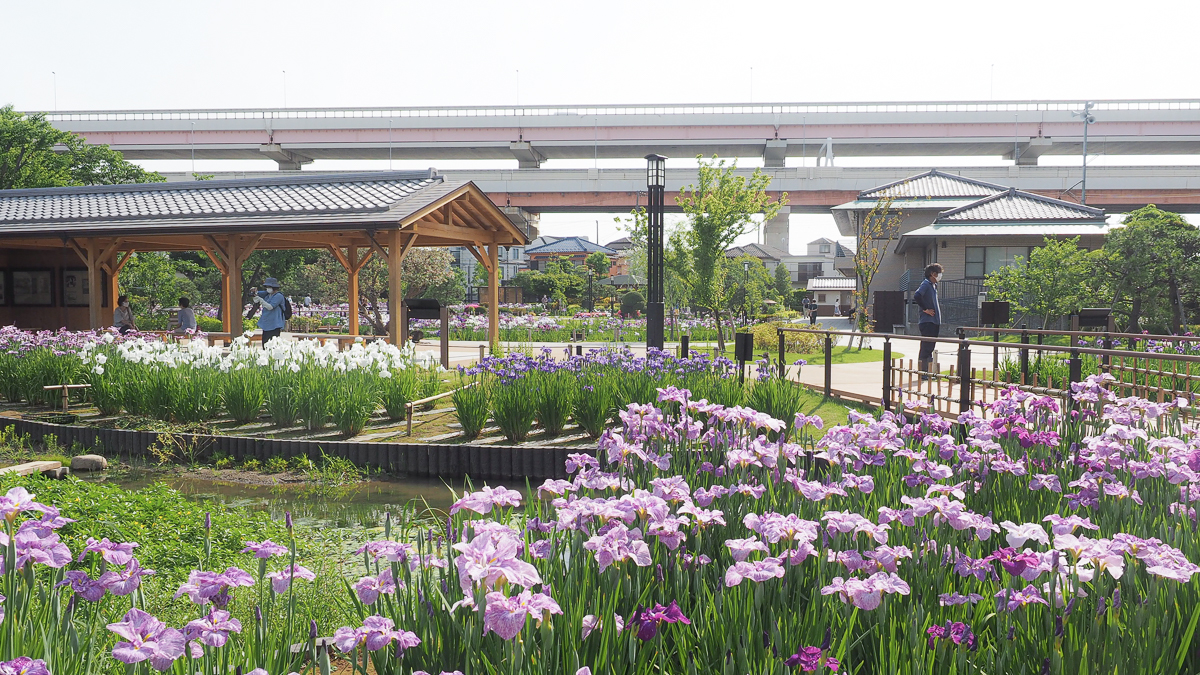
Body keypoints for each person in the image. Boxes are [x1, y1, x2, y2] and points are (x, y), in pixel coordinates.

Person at [913, 263, 943, 381]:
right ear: (932, 274)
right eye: (938, 273)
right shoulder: (926, 284)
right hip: (927, 322)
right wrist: (925, 309)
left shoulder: (933, 286)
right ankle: (923, 372)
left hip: (934, 321)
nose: (940, 275)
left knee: (930, 347)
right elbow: (917, 296)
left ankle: (928, 372)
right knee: (926, 347)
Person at [252, 278, 286, 345]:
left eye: (269, 287)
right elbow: (257, 293)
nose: (267, 288)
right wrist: (254, 292)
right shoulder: (267, 295)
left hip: (275, 324)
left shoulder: (279, 296)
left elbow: (270, 307)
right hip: (267, 324)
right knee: (265, 344)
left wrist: (260, 300)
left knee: (273, 345)